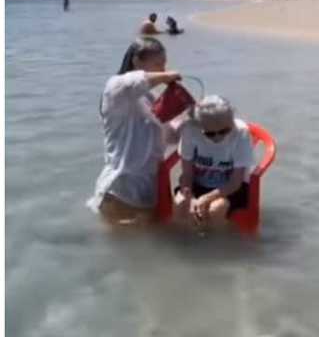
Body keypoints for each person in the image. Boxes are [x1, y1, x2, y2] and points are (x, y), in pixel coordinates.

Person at [87, 37, 182, 224]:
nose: (163, 69)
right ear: (137, 61)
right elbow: (132, 82)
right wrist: (168, 76)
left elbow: (169, 136)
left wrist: (196, 121)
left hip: (147, 193)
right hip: (119, 192)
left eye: (165, 64)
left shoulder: (151, 99)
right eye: (158, 64)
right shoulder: (115, 89)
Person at [174, 95, 255, 229]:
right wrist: (190, 196)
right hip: (197, 183)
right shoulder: (190, 129)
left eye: (224, 131)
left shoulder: (241, 132)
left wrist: (206, 198)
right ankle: (183, 244)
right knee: (181, 203)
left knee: (215, 210)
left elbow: (236, 182)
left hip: (230, 188)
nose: (218, 137)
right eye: (210, 133)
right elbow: (187, 173)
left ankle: (218, 247)